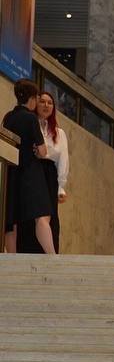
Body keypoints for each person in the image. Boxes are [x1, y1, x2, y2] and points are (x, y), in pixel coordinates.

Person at [3, 79, 55, 255]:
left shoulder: (8, 117)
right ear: (32, 98)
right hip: (30, 173)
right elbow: (42, 151)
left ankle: (11, 260)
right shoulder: (31, 118)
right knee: (42, 215)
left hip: (10, 172)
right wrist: (37, 150)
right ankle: (52, 256)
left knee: (11, 220)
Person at [17, 91, 68, 253]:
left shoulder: (59, 133)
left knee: (49, 215)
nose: (46, 105)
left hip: (50, 174)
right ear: (35, 104)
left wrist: (61, 187)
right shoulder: (31, 125)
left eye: (50, 103)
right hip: (31, 171)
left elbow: (63, 160)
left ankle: (49, 254)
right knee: (30, 214)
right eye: (42, 102)